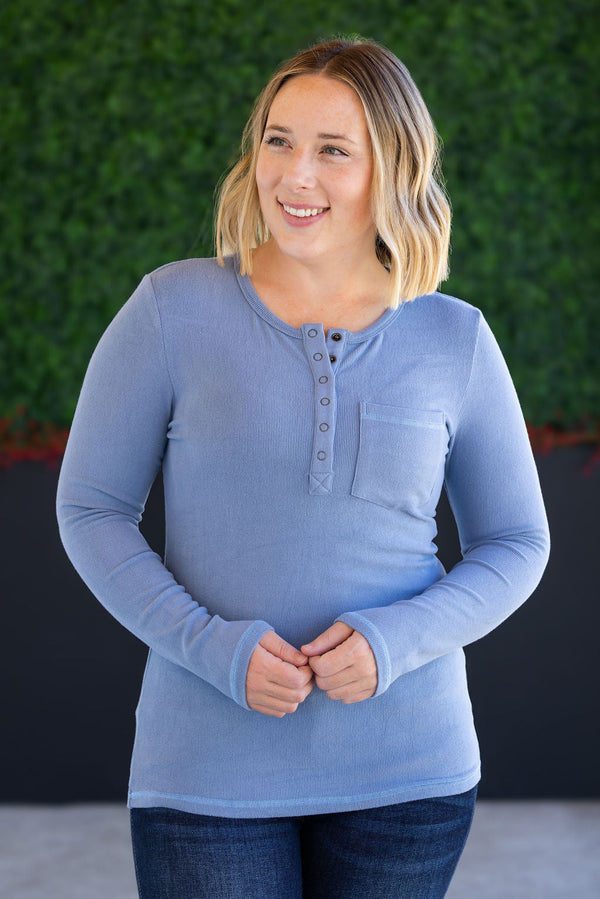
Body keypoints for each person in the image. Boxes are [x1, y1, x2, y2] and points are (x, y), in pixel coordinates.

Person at [56, 37, 550, 898]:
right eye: (278, 140)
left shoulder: (454, 336)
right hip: (204, 774)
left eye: (332, 150)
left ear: (392, 166)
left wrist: (393, 643)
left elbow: (516, 541)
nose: (294, 175)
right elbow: (91, 509)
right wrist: (213, 648)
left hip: (410, 777)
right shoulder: (172, 309)